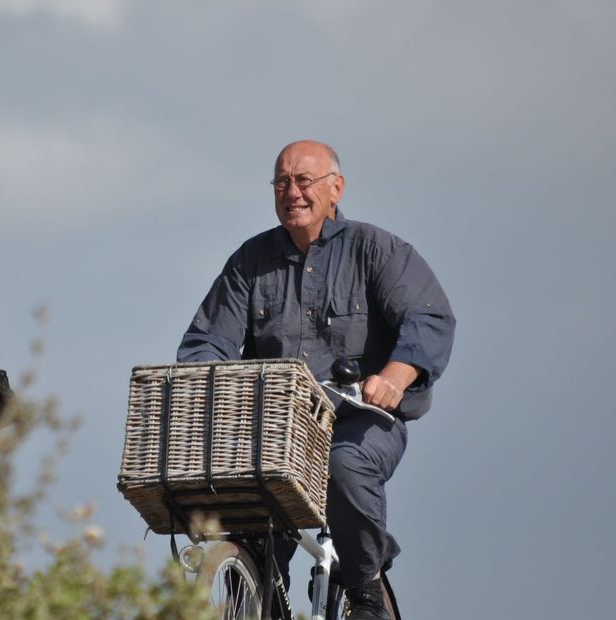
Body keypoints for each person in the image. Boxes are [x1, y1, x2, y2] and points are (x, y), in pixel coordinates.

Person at [177, 140, 455, 620]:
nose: (293, 192)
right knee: (244, 502)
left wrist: (393, 375)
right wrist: (204, 384)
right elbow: (207, 341)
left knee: (345, 468)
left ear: (336, 189)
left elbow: (428, 319)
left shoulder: (377, 250)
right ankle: (256, 585)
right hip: (277, 428)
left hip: (361, 419)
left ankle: (365, 587)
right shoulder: (250, 261)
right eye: (282, 182)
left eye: (304, 180)